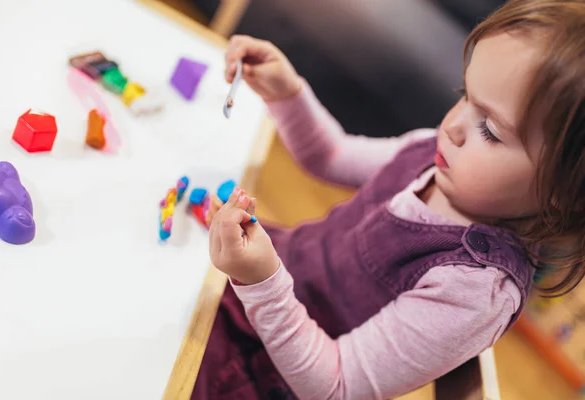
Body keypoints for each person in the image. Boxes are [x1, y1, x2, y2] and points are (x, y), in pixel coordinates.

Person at [193, 0, 585, 398]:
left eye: (490, 130)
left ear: (560, 194)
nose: (451, 127)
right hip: (256, 288)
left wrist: (261, 282)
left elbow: (337, 386)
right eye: (465, 94)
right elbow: (331, 155)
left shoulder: (474, 291)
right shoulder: (432, 150)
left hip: (256, 371)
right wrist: (288, 93)